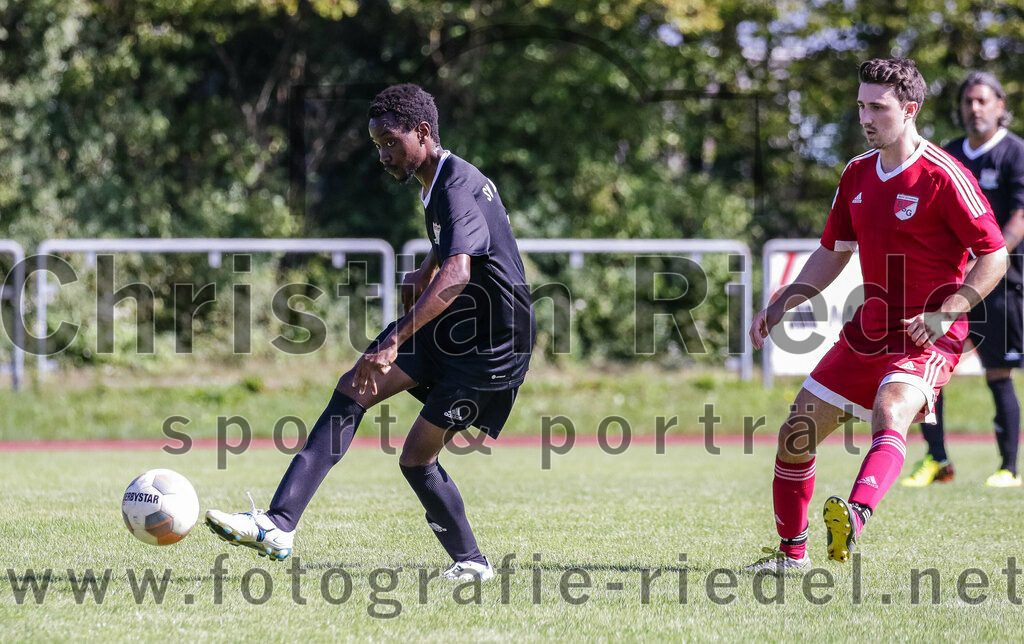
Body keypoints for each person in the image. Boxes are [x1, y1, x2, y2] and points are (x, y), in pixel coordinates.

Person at [205, 84, 536, 581]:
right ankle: (278, 525)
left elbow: (461, 272)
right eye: (377, 144)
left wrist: (396, 337)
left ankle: (472, 564)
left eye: (389, 142)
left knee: (415, 457)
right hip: (456, 327)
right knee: (353, 386)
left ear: (422, 133)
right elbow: (464, 245)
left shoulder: (454, 184)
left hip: (491, 345)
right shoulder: (441, 179)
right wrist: (425, 266)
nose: (383, 155)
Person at [745, 59, 1008, 573]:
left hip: (929, 333)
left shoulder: (944, 175)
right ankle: (790, 557)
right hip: (870, 328)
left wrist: (947, 311)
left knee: (891, 409)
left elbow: (994, 254)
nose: (865, 117)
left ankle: (854, 515)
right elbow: (832, 252)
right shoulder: (857, 173)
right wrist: (781, 302)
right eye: (861, 105)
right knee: (796, 433)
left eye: (878, 107)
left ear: (909, 110)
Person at [903, 71, 1024, 489]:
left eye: (982, 101)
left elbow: (1019, 216)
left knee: (998, 373)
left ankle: (1008, 467)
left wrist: (989, 255)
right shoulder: (948, 153)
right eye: (968, 101)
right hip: (947, 284)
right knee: (927, 370)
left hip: (998, 283)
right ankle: (938, 461)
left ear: (1000, 106)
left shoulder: (1015, 153)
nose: (974, 109)